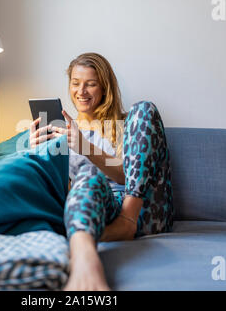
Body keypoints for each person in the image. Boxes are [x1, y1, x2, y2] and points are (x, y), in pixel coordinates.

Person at [29, 52, 174, 291]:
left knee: (144, 108)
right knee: (86, 178)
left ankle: (126, 221)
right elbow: (68, 194)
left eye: (91, 84)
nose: (81, 91)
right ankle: (85, 258)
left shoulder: (130, 125)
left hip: (144, 210)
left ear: (105, 87)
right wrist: (42, 154)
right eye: (76, 83)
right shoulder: (65, 132)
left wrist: (86, 148)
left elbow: (128, 176)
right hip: (100, 210)